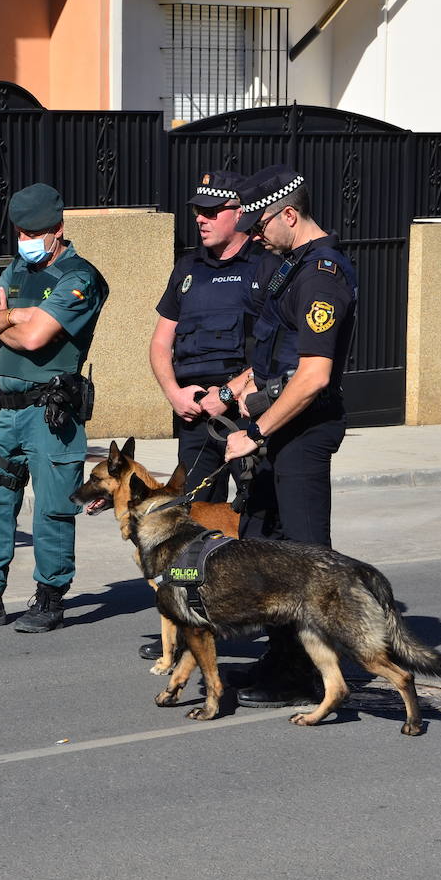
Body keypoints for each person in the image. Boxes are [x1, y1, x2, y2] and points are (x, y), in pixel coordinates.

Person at [0, 183, 108, 633]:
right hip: (8, 413)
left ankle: (50, 598)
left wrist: (4, 319)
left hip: (51, 414)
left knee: (52, 510)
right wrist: (17, 315)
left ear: (58, 229)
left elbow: (35, 339)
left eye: (34, 232)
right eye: (20, 232)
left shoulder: (79, 278)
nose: (26, 240)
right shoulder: (16, 269)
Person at [220, 163, 359, 708]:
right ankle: (280, 657)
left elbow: (314, 375)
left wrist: (256, 431)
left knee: (305, 558)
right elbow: (276, 355)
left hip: (303, 431)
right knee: (268, 548)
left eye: (259, 227)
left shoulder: (321, 275)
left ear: (290, 216)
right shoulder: (291, 267)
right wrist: (237, 388)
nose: (254, 237)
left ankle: (306, 672)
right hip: (278, 425)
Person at [137, 170, 275, 662]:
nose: (201, 219)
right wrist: (173, 393)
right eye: (198, 210)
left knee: (255, 518)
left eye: (213, 211)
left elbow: (276, 349)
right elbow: (160, 342)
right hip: (193, 417)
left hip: (243, 415)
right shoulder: (188, 267)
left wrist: (228, 392)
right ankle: (189, 625)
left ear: (240, 214)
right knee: (189, 522)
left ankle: (267, 624)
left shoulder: (265, 266)